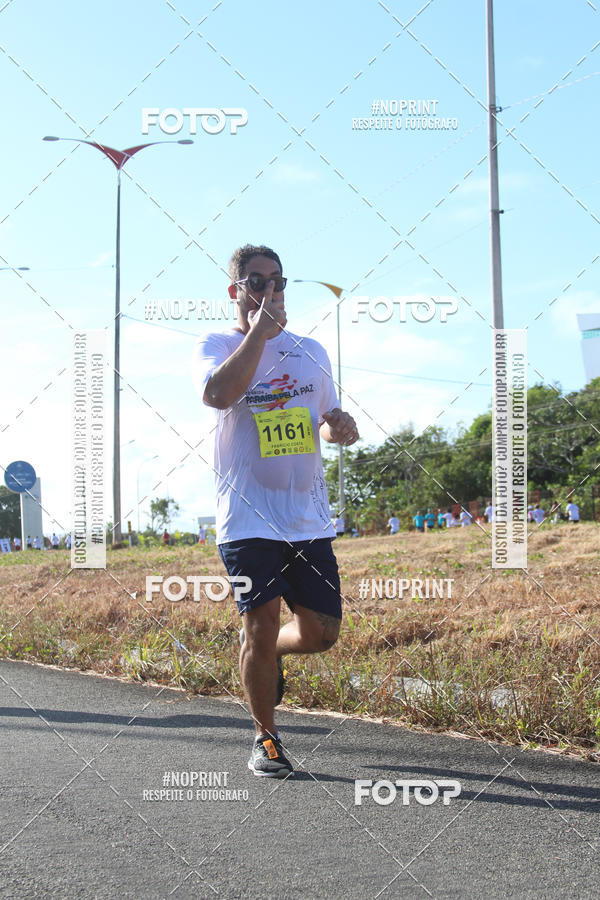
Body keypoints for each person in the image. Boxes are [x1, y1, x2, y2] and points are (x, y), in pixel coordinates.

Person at [193, 244, 359, 778]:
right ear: (235, 290)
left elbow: (324, 420)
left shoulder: (311, 351)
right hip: (246, 521)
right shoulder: (217, 344)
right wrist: (258, 336)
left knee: (323, 634)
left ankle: (271, 658)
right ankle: (266, 739)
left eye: (278, 282)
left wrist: (340, 428)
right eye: (257, 282)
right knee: (259, 629)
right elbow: (218, 395)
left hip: (307, 520)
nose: (269, 292)